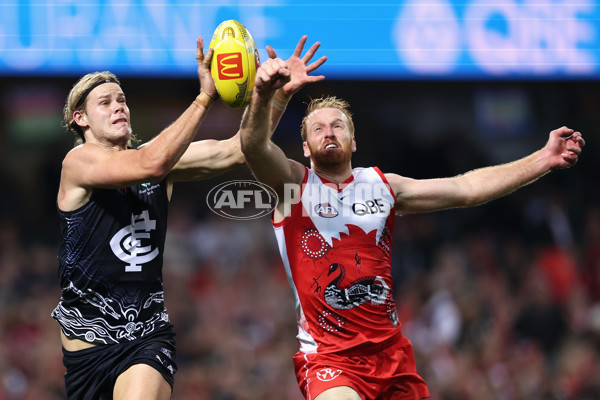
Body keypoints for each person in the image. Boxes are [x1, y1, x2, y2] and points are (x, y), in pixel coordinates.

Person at [239, 57, 585, 400]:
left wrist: (543, 158)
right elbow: (252, 146)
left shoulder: (383, 185)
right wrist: (263, 94)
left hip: (393, 358)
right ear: (304, 147)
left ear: (354, 142)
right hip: (330, 360)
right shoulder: (291, 185)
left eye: (338, 126)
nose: (329, 132)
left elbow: (465, 189)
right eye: (318, 128)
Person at [52, 35, 326, 400]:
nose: (119, 107)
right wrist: (204, 97)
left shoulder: (156, 159)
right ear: (80, 118)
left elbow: (237, 150)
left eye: (122, 100)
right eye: (105, 102)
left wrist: (273, 97)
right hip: (86, 353)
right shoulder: (78, 163)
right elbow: (151, 164)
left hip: (147, 339)